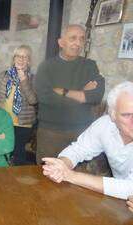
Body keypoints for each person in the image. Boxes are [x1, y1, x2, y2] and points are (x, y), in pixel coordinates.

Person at [42, 81, 133, 200]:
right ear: (113, 115)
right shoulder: (105, 125)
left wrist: (71, 176)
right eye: (127, 115)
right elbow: (79, 148)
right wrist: (61, 165)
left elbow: (130, 188)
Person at [34, 24, 105, 165]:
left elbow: (96, 96)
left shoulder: (90, 66)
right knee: (46, 175)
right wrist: (82, 93)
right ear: (61, 42)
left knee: (78, 179)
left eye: (81, 39)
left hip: (82, 133)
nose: (78, 43)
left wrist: (64, 92)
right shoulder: (46, 67)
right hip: (51, 133)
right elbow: (46, 98)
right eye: (73, 38)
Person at [0, 45, 37, 165]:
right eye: (18, 56)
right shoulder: (4, 75)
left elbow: (33, 100)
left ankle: (18, 179)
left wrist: (23, 80)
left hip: (23, 124)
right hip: (4, 121)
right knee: (3, 151)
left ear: (29, 61)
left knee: (18, 154)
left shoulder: (33, 78)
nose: (21, 59)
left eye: (25, 57)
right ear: (14, 59)